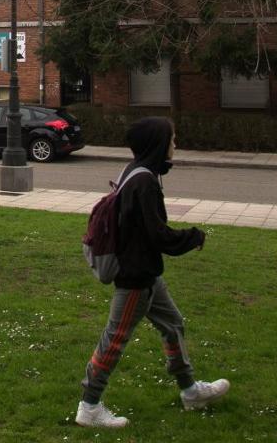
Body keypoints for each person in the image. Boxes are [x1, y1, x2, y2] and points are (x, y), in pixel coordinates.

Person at [75, 116, 228, 429]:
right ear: (158, 144)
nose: (175, 145)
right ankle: (89, 406)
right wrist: (193, 237)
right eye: (171, 139)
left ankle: (189, 391)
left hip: (147, 275)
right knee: (115, 338)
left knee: (172, 324)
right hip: (135, 278)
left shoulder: (138, 172)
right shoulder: (144, 182)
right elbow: (159, 237)